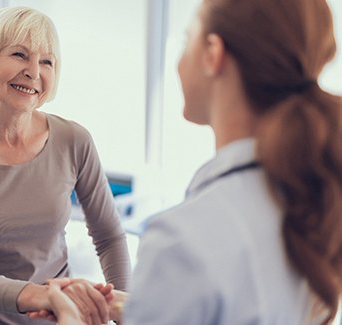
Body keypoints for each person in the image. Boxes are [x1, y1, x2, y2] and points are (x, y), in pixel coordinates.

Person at [41, 0, 342, 324]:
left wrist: (71, 318)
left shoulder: (182, 241)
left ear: (213, 53)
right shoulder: (310, 207)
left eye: (187, 38)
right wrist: (140, 305)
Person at [0, 6, 131, 325]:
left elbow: (109, 236)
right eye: (19, 55)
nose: (33, 72)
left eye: (46, 62)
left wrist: (124, 311)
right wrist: (40, 295)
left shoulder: (74, 140)